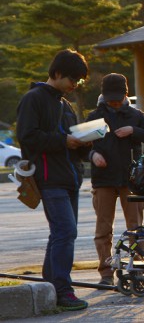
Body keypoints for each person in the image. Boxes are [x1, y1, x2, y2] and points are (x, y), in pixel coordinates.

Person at [16, 49, 91, 311]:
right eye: (73, 79)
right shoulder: (33, 99)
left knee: (60, 234)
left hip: (70, 177)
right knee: (65, 232)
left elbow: (73, 140)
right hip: (49, 178)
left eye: (80, 81)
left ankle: (51, 289)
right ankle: (62, 290)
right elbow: (27, 136)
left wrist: (85, 143)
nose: (75, 85)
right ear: (57, 73)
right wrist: (64, 141)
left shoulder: (65, 104)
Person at [86, 73, 144, 286]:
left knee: (135, 226)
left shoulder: (136, 115)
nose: (115, 103)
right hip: (103, 180)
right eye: (110, 99)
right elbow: (78, 147)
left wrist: (134, 130)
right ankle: (106, 272)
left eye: (118, 98)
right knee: (103, 227)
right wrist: (93, 155)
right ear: (103, 96)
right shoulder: (94, 117)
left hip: (132, 180)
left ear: (126, 95)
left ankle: (137, 267)